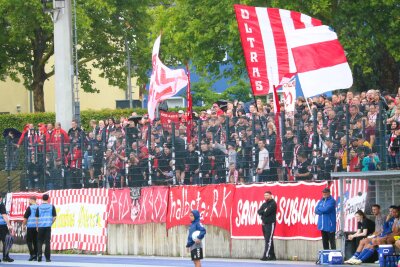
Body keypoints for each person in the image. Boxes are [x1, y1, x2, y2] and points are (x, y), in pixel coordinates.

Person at [36, 194, 56, 262]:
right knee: (47, 242)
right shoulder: (51, 206)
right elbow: (54, 217)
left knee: (39, 241)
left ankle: (39, 255)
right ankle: (47, 258)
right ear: (48, 199)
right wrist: (50, 223)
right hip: (48, 226)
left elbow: (37, 217)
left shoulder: (39, 207)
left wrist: (37, 226)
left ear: (42, 199)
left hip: (41, 226)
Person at [257, 191, 277, 261]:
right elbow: (259, 211)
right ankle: (272, 255)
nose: (265, 196)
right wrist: (263, 211)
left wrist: (263, 212)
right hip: (264, 224)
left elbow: (267, 213)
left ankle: (266, 255)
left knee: (268, 240)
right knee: (268, 239)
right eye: (265, 195)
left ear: (271, 195)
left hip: (270, 223)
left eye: (267, 195)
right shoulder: (264, 204)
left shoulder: (273, 203)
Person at [22, 196, 38, 261]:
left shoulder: (29, 208)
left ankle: (32, 254)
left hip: (30, 226)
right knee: (35, 241)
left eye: (29, 200)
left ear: (32, 200)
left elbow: (25, 218)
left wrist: (23, 225)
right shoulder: (38, 207)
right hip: (37, 227)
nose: (29, 202)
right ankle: (36, 256)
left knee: (29, 241)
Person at [0, 197, 14, 262]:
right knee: (6, 241)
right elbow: (4, 215)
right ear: (0, 198)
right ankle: (5, 257)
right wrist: (9, 224)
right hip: (2, 225)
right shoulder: (1, 205)